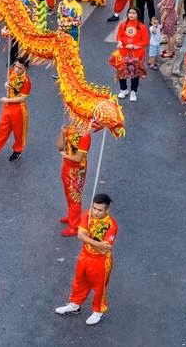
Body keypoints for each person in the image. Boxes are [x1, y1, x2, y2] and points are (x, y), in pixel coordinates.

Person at [55, 193, 118, 327]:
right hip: (85, 256)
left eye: (100, 210)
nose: (95, 212)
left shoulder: (111, 225)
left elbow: (104, 250)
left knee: (99, 287)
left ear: (107, 210)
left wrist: (90, 241)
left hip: (101, 261)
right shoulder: (88, 214)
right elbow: (80, 235)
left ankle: (98, 311)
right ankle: (75, 305)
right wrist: (97, 243)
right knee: (79, 281)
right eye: (94, 208)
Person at [57, 123, 91, 237]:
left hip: (77, 170)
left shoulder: (85, 136)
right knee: (68, 194)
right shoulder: (71, 128)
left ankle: (75, 226)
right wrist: (62, 133)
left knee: (75, 197)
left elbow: (78, 158)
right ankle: (72, 216)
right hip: (67, 166)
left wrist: (65, 155)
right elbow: (60, 147)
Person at [111, 7, 148, 101]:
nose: (131, 15)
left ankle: (133, 91)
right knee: (121, 70)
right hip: (123, 52)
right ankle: (123, 89)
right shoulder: (122, 25)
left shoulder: (142, 27)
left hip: (136, 53)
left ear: (138, 15)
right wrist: (119, 42)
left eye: (133, 13)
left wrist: (134, 45)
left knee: (135, 72)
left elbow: (145, 41)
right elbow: (119, 35)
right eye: (129, 13)